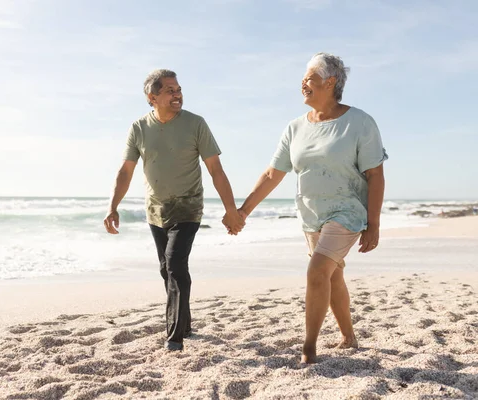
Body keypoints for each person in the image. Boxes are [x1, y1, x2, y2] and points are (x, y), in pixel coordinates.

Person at [231, 53, 388, 363]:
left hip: (347, 212)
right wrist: (243, 211)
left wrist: (374, 224)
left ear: (330, 83)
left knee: (317, 271)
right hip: (310, 216)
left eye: (310, 78)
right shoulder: (295, 128)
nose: (303, 83)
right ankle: (349, 336)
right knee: (332, 277)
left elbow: (375, 175)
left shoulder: (359, 122)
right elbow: (272, 173)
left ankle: (309, 348)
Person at [104, 69, 245, 351]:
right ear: (152, 97)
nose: (177, 94)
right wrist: (113, 206)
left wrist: (232, 210)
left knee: (175, 264)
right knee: (166, 269)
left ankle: (174, 337)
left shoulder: (195, 124)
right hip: (155, 209)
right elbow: (126, 170)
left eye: (178, 89)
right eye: (170, 90)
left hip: (188, 205)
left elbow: (215, 169)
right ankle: (186, 323)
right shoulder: (139, 128)